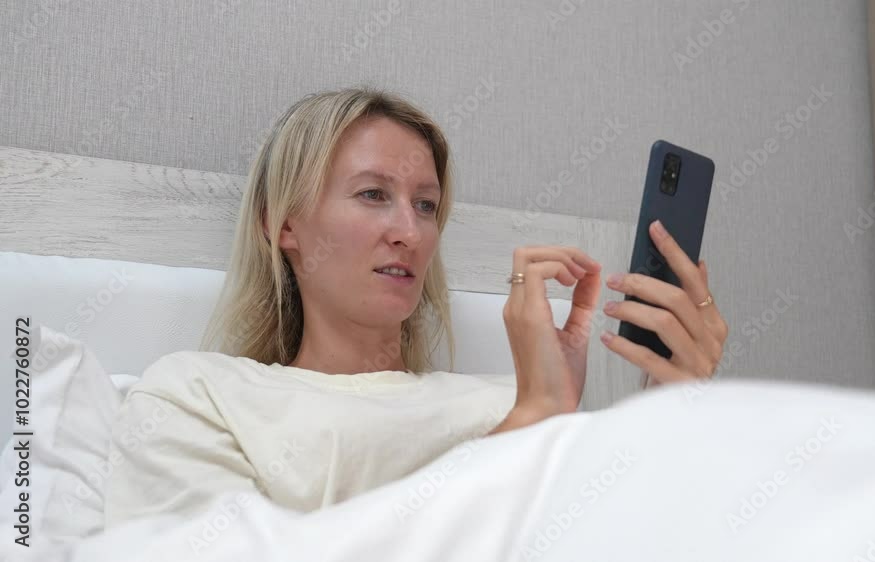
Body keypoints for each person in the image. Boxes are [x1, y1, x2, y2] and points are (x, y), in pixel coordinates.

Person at [102, 88, 728, 528]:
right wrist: (532, 420)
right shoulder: (201, 396)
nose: (410, 231)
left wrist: (671, 413)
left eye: (426, 205)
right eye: (373, 194)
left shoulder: (513, 398)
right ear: (282, 224)